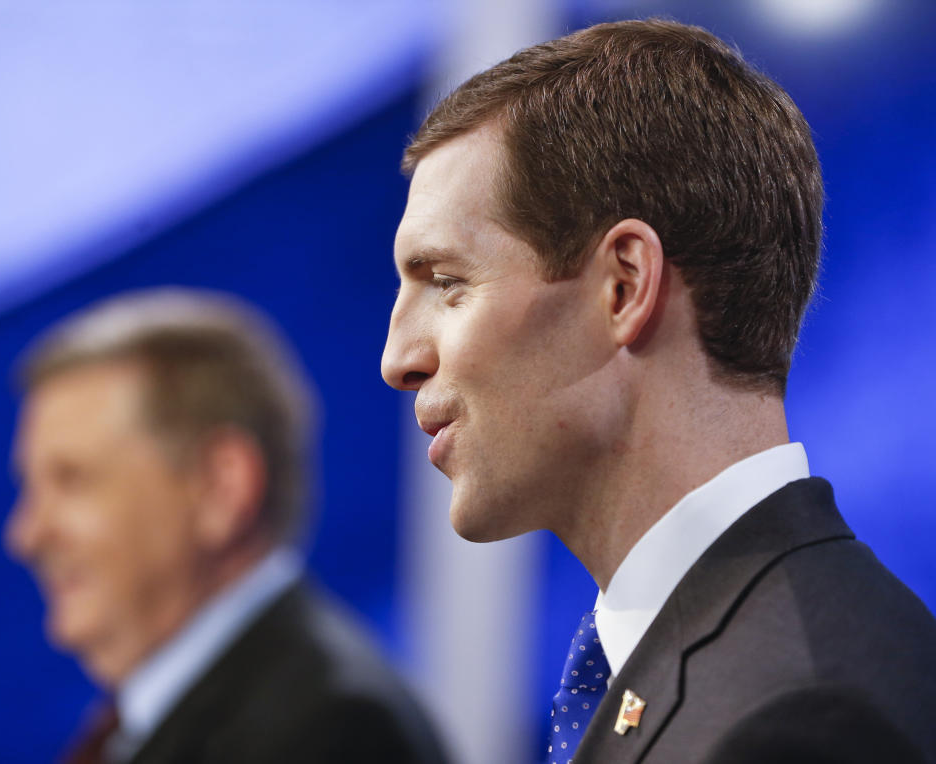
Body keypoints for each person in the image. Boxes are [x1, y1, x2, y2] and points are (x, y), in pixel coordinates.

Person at [381, 18, 936, 764]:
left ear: (623, 286)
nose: (398, 359)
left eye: (447, 283)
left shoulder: (801, 716)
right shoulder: (725, 655)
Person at [7, 288, 449, 764]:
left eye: (72, 480)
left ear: (219, 487)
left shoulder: (330, 735)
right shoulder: (159, 719)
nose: (25, 535)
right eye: (30, 489)